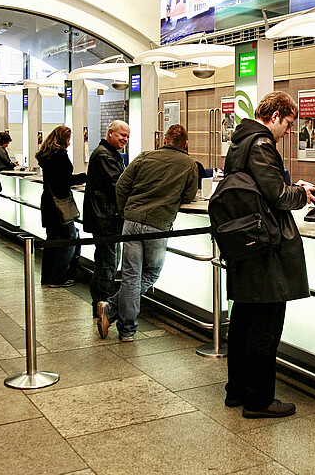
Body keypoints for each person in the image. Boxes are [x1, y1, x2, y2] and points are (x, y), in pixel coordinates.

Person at [221, 92, 315, 419]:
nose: (288, 132)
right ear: (275, 115)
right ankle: (259, 400)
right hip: (265, 247)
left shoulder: (239, 143)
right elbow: (277, 196)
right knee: (265, 325)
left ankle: (236, 391)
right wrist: (301, 193)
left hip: (246, 243)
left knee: (243, 321)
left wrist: (289, 186)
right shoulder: (262, 144)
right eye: (288, 124)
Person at [96, 124, 198, 342]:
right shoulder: (189, 164)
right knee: (150, 274)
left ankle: (119, 320)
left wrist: (126, 211)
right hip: (158, 224)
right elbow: (189, 196)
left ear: (165, 140)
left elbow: (121, 185)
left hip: (131, 221)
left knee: (131, 275)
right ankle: (114, 314)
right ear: (185, 144)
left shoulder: (145, 156)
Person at [84, 120, 131, 315]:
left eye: (127, 137)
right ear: (110, 133)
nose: (125, 140)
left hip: (106, 217)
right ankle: (102, 306)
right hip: (105, 218)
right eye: (122, 135)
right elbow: (117, 186)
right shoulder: (104, 155)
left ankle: (103, 304)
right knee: (107, 264)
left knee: (108, 262)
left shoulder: (108, 153)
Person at [36, 125, 87, 288]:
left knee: (52, 241)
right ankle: (58, 277)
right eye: (68, 140)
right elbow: (64, 181)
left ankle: (47, 277)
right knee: (70, 238)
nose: (69, 143)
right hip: (60, 204)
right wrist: (83, 177)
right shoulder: (60, 156)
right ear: (63, 140)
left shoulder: (46, 156)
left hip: (48, 202)